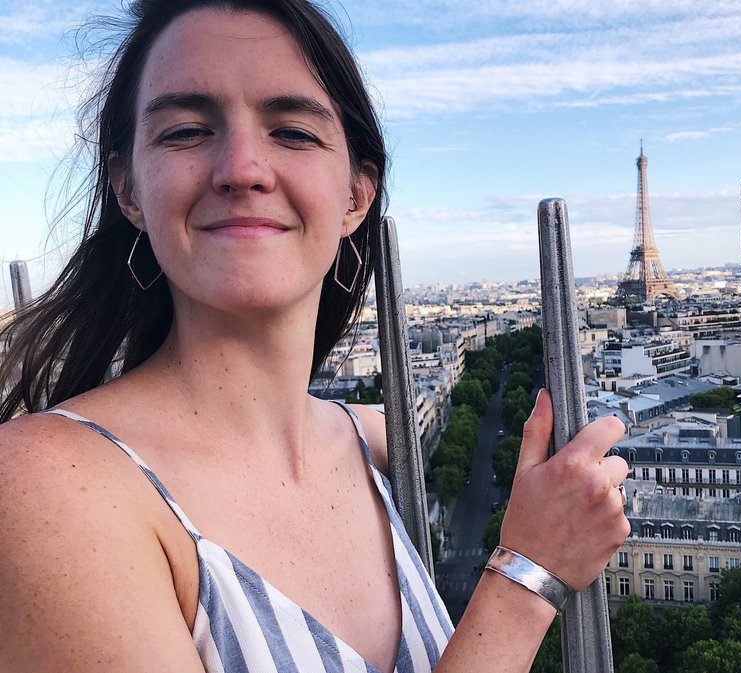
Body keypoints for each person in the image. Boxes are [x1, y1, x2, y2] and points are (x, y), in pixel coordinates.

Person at [0, 1, 630, 671]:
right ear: (129, 188)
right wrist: (527, 577)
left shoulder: (376, 445)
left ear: (356, 196)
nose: (241, 168)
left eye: (293, 132)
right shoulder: (47, 489)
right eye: (186, 130)